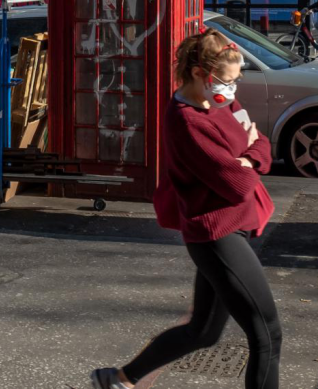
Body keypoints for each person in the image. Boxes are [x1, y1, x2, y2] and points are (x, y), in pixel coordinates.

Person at [91, 28, 281, 389]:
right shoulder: (187, 120)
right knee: (267, 335)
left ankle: (118, 379)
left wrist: (248, 158)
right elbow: (239, 183)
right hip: (216, 234)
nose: (233, 88)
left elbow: (262, 144)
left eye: (236, 79)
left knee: (203, 332)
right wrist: (249, 158)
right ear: (199, 74)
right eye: (227, 80)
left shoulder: (223, 102)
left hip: (234, 224)